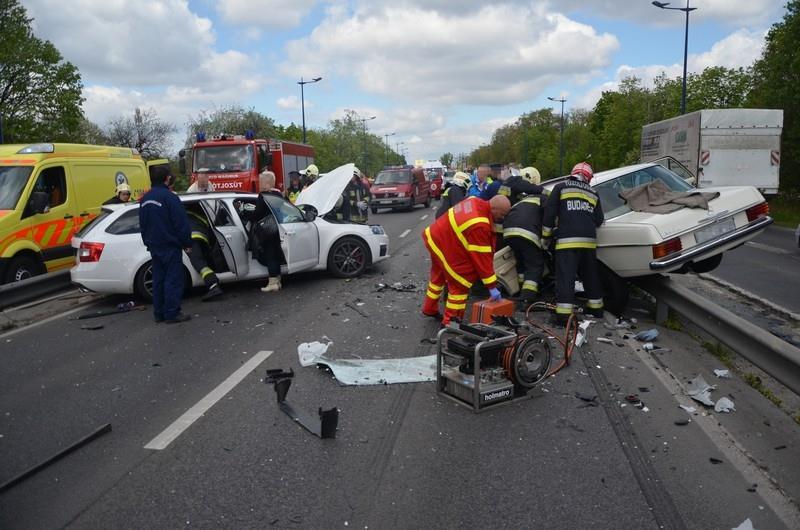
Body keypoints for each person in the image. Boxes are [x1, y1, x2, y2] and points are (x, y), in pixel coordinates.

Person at [422, 195, 512, 326]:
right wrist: (492, 286)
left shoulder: (475, 200)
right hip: (445, 242)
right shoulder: (480, 225)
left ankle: (429, 308)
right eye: (502, 214)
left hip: (436, 237)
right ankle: (450, 323)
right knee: (460, 283)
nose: (502, 218)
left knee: (438, 276)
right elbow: (481, 259)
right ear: (494, 209)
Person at [542, 162, 605, 324]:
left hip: (567, 242)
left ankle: (563, 316)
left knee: (566, 277)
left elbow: (550, 212)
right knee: (591, 276)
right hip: (589, 243)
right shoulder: (594, 192)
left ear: (573, 173)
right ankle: (596, 309)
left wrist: (546, 236)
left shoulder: (561, 187)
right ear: (588, 178)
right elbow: (599, 220)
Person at [139, 165, 192, 323]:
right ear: (167, 178)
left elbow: (143, 224)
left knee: (158, 280)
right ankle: (172, 313)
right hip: (170, 246)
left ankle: (159, 313)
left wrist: (148, 242)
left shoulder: (145, 199)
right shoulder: (170, 198)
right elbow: (181, 223)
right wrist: (186, 242)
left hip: (154, 246)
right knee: (172, 280)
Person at [241, 170, 285, 292]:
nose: (259, 183)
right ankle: (278, 281)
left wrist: (247, 215)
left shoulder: (264, 195)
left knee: (270, 256)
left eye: (261, 181)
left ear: (267, 182)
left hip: (266, 231)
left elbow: (257, 213)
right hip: (276, 229)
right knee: (276, 255)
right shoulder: (278, 195)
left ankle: (272, 284)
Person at [503, 188, 546, 306]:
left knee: (521, 263)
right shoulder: (543, 199)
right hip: (527, 232)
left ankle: (520, 290)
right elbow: (549, 219)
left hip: (508, 233)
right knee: (535, 265)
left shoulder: (522, 201)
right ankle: (527, 298)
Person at [185, 205, 224, 301]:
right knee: (201, 260)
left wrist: (185, 244)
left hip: (191, 238)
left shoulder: (183, 214)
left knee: (198, 262)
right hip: (202, 237)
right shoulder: (197, 212)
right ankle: (213, 284)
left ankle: (213, 285)